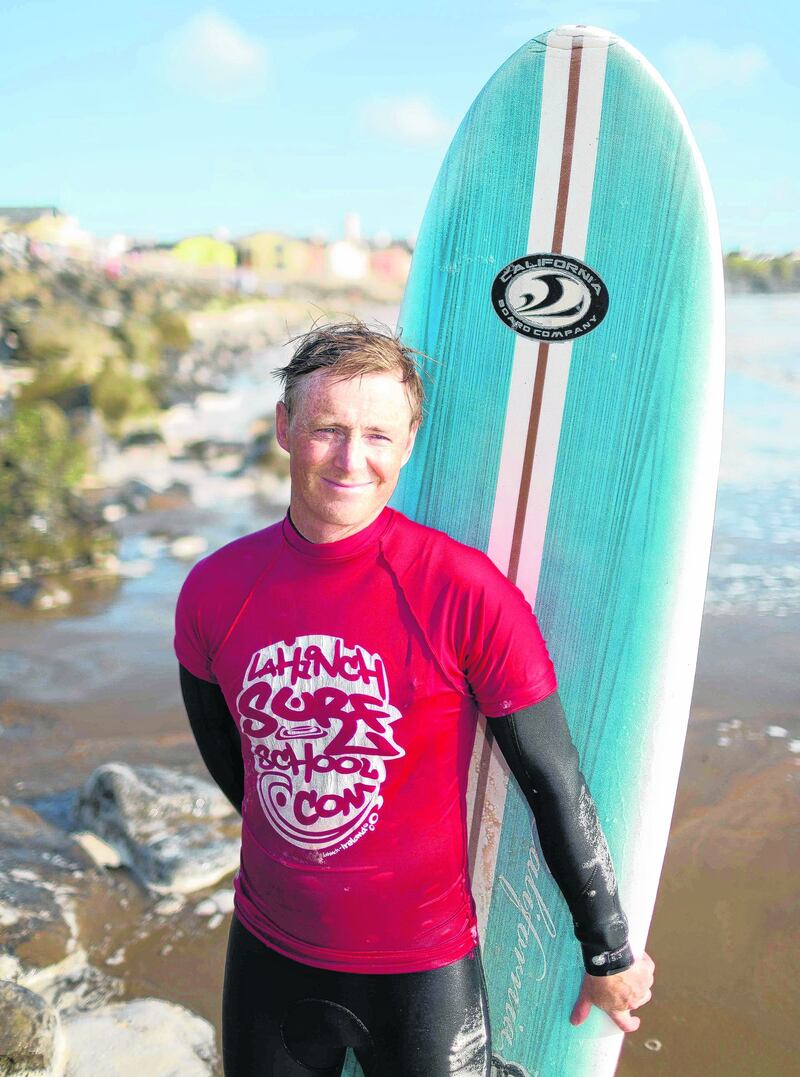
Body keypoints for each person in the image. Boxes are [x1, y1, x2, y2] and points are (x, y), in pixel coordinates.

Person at [174, 321, 655, 1077]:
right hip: (271, 957)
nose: (351, 458)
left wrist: (610, 950)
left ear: (408, 443)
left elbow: (552, 781)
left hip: (423, 970)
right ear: (283, 428)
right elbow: (231, 757)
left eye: (377, 435)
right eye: (327, 429)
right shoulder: (216, 590)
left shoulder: (465, 594)